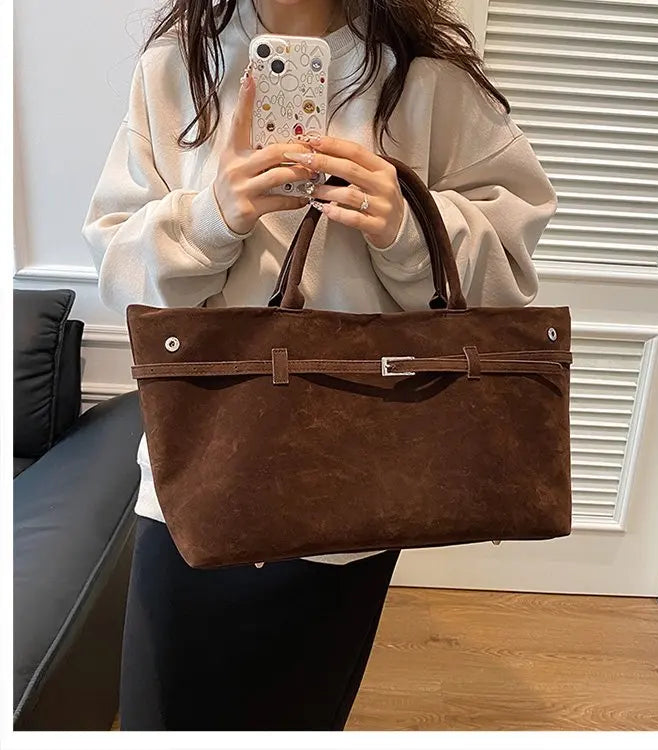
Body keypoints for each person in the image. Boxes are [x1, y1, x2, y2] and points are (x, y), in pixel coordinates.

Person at [81, 0, 558, 731]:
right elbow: (122, 278)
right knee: (163, 715)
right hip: (197, 476)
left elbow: (507, 281)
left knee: (300, 715)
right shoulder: (177, 69)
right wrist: (211, 216)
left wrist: (408, 226)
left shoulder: (427, 79)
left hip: (350, 491)